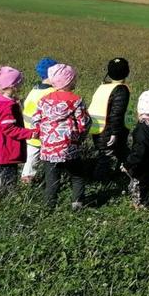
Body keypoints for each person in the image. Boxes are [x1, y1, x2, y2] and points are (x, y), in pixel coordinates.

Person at [34, 63, 91, 211]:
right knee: (77, 175)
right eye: (74, 79)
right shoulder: (76, 100)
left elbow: (36, 119)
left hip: (48, 148)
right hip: (69, 147)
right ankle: (77, 204)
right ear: (69, 81)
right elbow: (83, 123)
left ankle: (48, 207)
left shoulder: (44, 99)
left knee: (51, 179)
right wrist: (80, 136)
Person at [0, 66, 31, 195]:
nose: (22, 84)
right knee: (10, 176)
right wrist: (30, 133)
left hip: (0, 146)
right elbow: (10, 129)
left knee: (2, 172)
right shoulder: (8, 106)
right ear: (13, 86)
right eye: (20, 82)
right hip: (8, 147)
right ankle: (9, 197)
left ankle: (0, 192)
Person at [89, 57, 131, 177]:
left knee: (119, 153)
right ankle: (99, 179)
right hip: (110, 131)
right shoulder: (121, 90)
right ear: (127, 72)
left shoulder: (103, 87)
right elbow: (116, 113)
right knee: (106, 157)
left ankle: (124, 173)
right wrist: (115, 132)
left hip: (97, 128)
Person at [20, 56, 57, 184]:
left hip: (28, 129)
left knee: (32, 156)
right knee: (33, 157)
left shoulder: (34, 89)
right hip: (39, 132)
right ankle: (27, 179)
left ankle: (28, 177)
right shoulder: (51, 92)